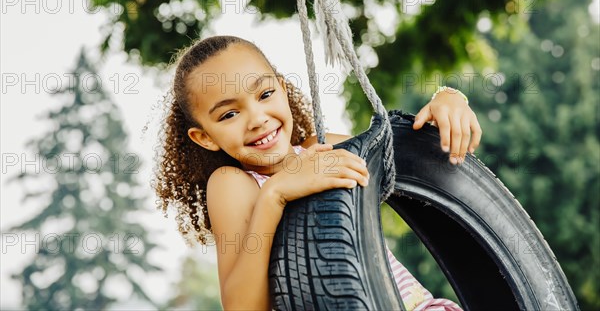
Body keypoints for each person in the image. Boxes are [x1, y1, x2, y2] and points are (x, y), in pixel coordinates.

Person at [153, 35, 482, 310]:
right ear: (204, 137)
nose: (257, 118)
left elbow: (417, 158)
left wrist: (448, 99)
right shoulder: (233, 184)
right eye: (229, 115)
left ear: (282, 90)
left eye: (265, 94)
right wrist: (274, 196)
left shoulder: (320, 151)